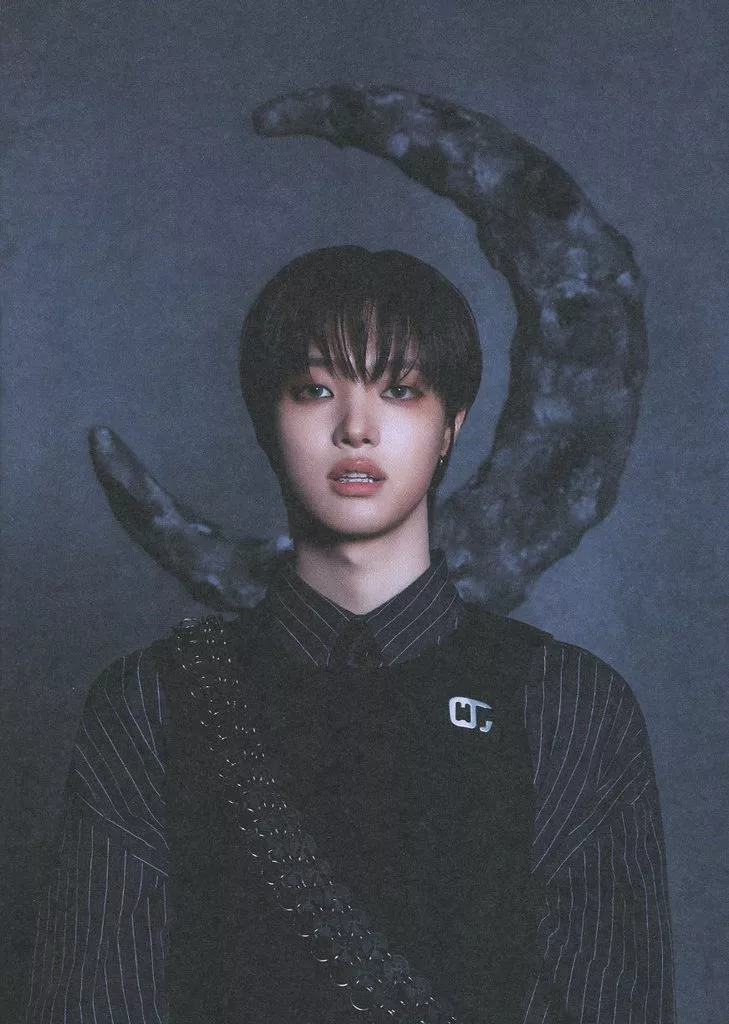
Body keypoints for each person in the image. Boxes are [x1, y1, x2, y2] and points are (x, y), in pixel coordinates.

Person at [24, 247, 675, 1023]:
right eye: (315, 389)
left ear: (450, 427)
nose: (356, 429)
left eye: (400, 390)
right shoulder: (151, 702)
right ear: (267, 421)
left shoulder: (570, 704)